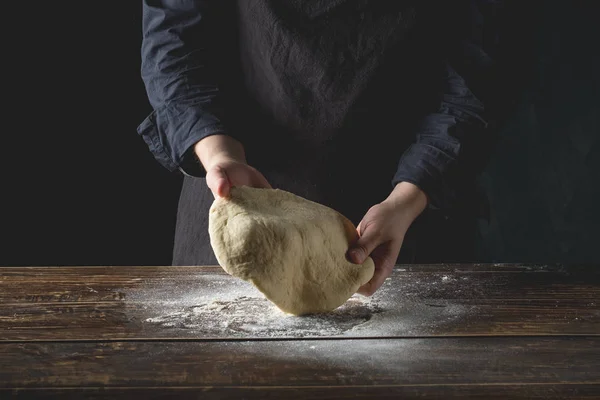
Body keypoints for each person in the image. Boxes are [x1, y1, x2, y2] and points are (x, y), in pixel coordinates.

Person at [138, 0, 507, 296]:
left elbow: (473, 70)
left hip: (406, 219)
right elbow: (174, 39)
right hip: (239, 196)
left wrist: (408, 197)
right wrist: (219, 154)